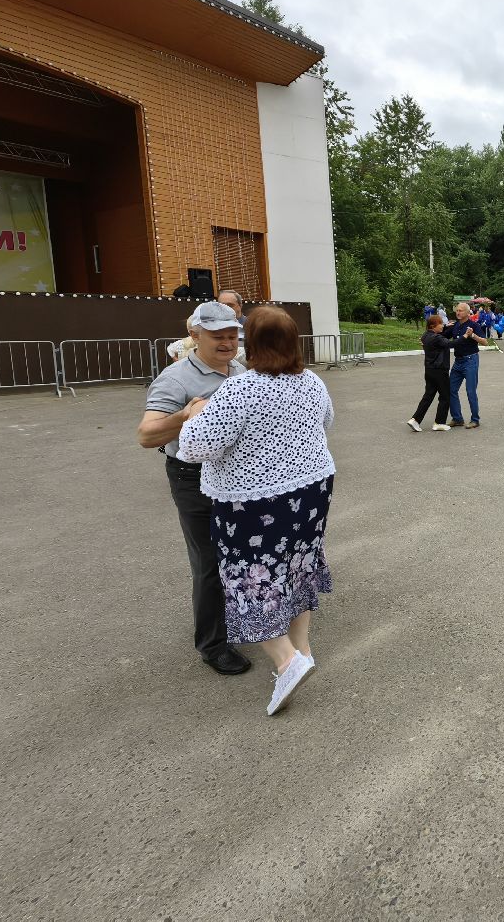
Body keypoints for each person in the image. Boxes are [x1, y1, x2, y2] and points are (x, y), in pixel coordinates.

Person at [177, 306, 336, 715]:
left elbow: (195, 447)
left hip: (254, 500)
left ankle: (287, 660)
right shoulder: (312, 381)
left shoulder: (240, 389)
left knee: (250, 577)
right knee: (296, 566)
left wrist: (194, 414)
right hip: (311, 490)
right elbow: (327, 421)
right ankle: (303, 651)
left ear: (253, 344)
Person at [136, 301, 250, 676]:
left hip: (236, 476)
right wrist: (184, 415)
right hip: (193, 477)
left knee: (240, 554)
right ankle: (213, 645)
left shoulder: (239, 369)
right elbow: (147, 435)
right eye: (218, 336)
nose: (227, 342)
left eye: (232, 335)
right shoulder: (175, 379)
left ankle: (239, 620)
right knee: (209, 563)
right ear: (196, 335)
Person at [408, 314, 457, 432]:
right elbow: (450, 344)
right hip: (440, 370)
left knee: (428, 396)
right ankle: (439, 422)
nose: (442, 325)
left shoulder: (425, 335)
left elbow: (440, 332)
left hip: (429, 370)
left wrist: (446, 326)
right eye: (440, 324)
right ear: (433, 326)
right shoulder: (437, 338)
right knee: (445, 396)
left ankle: (415, 420)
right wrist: (465, 336)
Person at [447, 301, 488, 428]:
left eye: (461, 310)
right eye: (457, 310)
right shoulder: (454, 326)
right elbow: (442, 336)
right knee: (451, 389)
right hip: (458, 362)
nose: (458, 313)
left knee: (470, 391)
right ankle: (457, 418)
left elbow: (485, 342)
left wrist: (473, 335)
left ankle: (475, 419)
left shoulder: (473, 325)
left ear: (467, 312)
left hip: (470, 360)